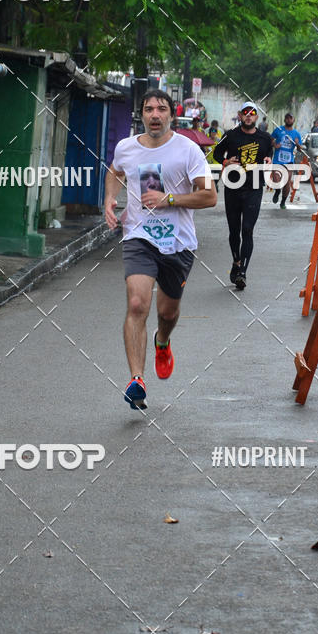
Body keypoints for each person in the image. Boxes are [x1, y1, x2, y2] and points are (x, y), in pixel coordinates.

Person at [104, 89, 216, 410]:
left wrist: (170, 199)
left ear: (171, 115)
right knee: (138, 302)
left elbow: (209, 197)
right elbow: (116, 171)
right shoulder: (127, 147)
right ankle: (136, 379)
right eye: (149, 109)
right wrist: (110, 199)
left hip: (177, 243)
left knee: (167, 312)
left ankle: (162, 341)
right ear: (142, 114)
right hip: (139, 236)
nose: (155, 115)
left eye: (161, 109)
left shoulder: (187, 150)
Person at [212, 101, 273, 291]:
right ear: (240, 115)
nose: (248, 116)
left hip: (254, 188)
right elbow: (216, 153)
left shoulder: (265, 137)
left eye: (252, 113)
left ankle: (243, 272)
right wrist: (225, 161)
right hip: (232, 187)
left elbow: (269, 153)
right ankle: (236, 262)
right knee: (234, 230)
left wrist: (269, 159)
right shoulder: (230, 135)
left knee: (247, 229)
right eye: (245, 113)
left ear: (256, 117)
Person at [271, 112, 303, 208]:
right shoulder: (279, 130)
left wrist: (297, 144)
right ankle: (277, 192)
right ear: (285, 120)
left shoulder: (296, 134)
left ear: (293, 120)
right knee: (277, 180)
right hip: (277, 160)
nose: (289, 120)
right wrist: (275, 145)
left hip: (289, 161)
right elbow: (271, 139)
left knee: (286, 182)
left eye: (291, 118)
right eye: (287, 118)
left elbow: (300, 149)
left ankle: (283, 202)